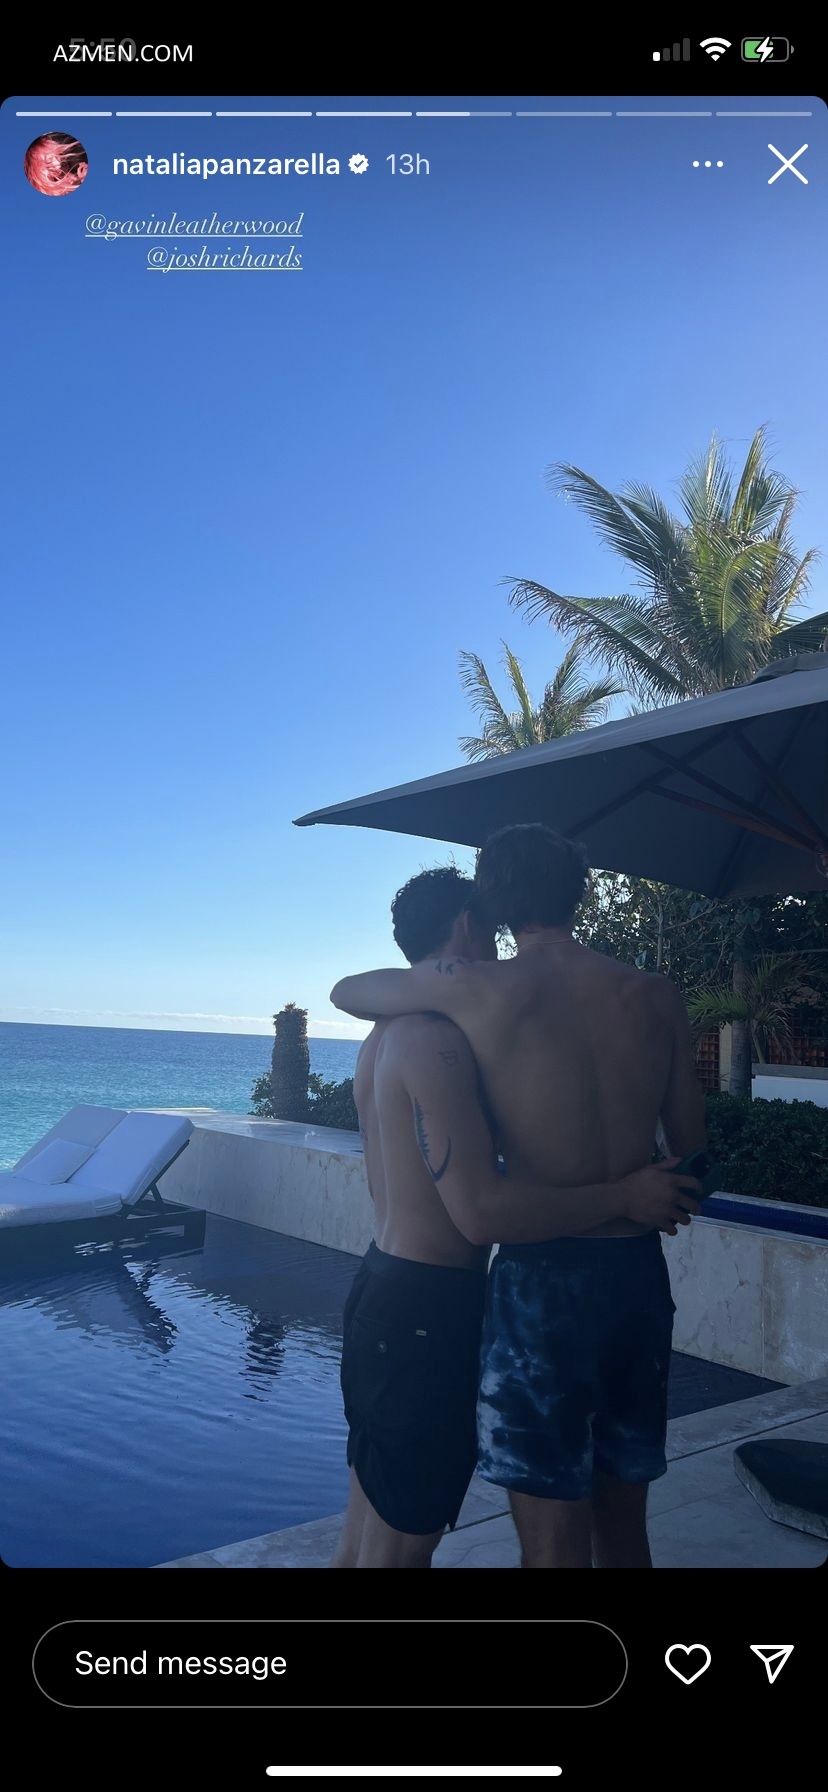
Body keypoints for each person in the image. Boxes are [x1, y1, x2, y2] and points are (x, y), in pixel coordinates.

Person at [331, 827, 708, 1570]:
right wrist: (635, 1186)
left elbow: (349, 992)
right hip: (635, 1277)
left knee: (552, 1546)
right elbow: (692, 1158)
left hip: (542, 1283)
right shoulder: (655, 995)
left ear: (497, 904)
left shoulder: (479, 991)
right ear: (581, 893)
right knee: (625, 1530)